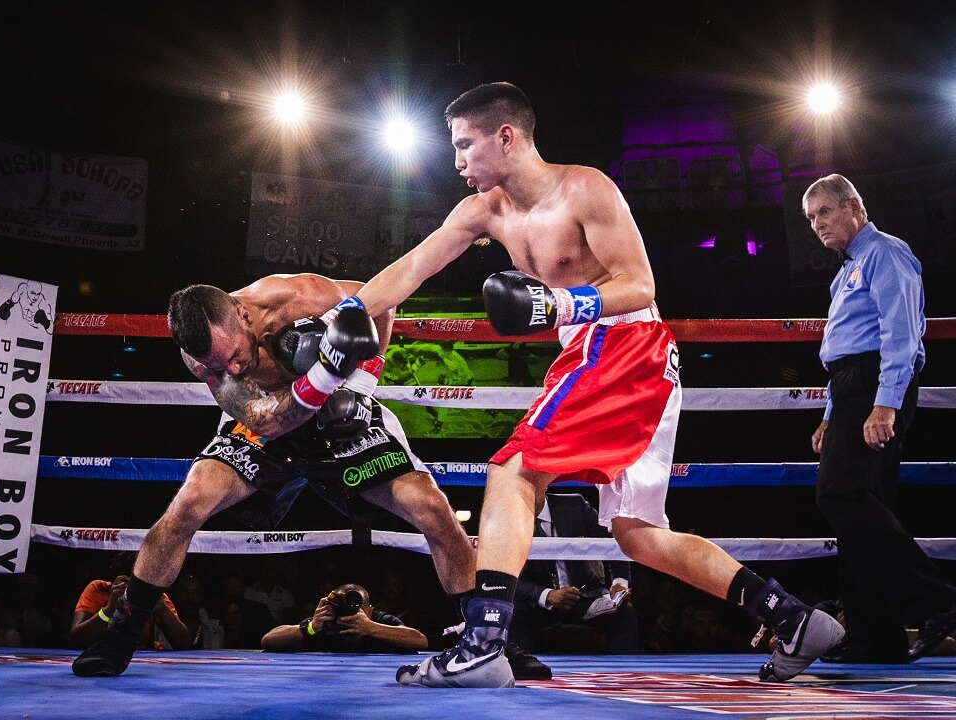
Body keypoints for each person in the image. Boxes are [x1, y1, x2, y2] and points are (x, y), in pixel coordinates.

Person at [349, 81, 844, 687]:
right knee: (639, 537)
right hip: (619, 359)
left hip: (625, 344)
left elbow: (640, 285)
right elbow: (409, 271)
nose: (456, 162)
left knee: (513, 471)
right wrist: (335, 319)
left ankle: (482, 645)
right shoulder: (484, 211)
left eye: (465, 145)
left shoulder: (584, 189)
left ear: (506, 137)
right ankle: (792, 618)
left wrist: (557, 303)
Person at [72, 274, 478, 676]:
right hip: (266, 420)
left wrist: (361, 381)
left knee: (432, 508)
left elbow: (382, 301)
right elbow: (262, 421)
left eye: (233, 354)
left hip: (338, 417)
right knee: (189, 502)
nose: (231, 367)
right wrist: (319, 378)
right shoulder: (201, 356)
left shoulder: (296, 298)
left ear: (243, 314)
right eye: (219, 365)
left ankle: (485, 641)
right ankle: (120, 635)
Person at [803, 174, 956, 663]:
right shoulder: (849, 267)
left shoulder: (886, 253)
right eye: (810, 218)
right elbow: (844, 349)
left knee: (840, 494)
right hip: (854, 388)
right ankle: (877, 637)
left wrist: (884, 403)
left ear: (853, 207)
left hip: (875, 386)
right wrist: (832, 413)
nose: (817, 225)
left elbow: (901, 333)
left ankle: (940, 602)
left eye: (825, 212)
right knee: (864, 506)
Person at [511, 491, 638, 661]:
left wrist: (619, 582)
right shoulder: (505, 519)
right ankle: (523, 673)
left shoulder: (575, 506)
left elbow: (612, 540)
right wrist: (546, 595)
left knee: (624, 611)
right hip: (537, 605)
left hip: (583, 598)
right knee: (513, 611)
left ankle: (624, 674)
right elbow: (502, 574)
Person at [69, 551, 192, 652]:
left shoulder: (155, 595)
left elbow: (184, 644)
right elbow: (75, 640)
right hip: (101, 656)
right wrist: (110, 609)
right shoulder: (99, 589)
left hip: (142, 663)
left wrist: (162, 609)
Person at [260, 583, 427, 653]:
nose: (350, 611)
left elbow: (420, 641)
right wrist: (311, 627)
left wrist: (371, 628)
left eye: (357, 605)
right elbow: (268, 640)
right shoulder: (325, 621)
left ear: (369, 611)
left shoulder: (378, 622)